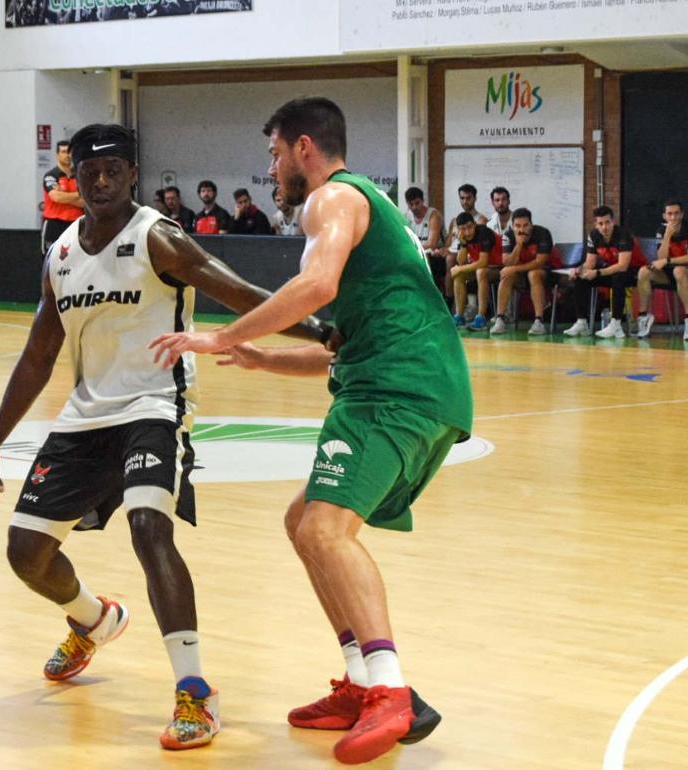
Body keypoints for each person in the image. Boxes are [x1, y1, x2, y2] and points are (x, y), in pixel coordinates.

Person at [0, 123, 335, 753]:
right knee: (24, 552)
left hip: (154, 405)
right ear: (75, 180)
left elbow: (236, 291)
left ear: (133, 174)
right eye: (91, 172)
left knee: (149, 528)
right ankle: (95, 620)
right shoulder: (60, 255)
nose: (103, 180)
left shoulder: (157, 237)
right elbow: (38, 353)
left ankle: (195, 691)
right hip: (87, 416)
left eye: (115, 168)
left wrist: (321, 333)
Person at [149, 97, 469, 766]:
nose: (270, 170)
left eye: (273, 155)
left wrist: (225, 334)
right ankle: (361, 682)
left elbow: (316, 284)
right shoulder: (361, 215)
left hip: (398, 389)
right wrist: (262, 356)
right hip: (399, 382)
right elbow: (339, 345)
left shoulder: (333, 199)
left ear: (302, 147)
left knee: (325, 529)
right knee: (304, 522)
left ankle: (391, 691)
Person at [563, 205, 647, 338]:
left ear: (613, 222)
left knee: (618, 278)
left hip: (635, 272)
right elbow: (590, 263)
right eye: (600, 223)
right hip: (611, 271)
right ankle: (582, 322)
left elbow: (623, 266)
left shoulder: (623, 235)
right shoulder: (594, 235)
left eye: (607, 222)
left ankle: (616, 324)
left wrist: (597, 273)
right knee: (581, 278)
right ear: (596, 224)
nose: (604, 227)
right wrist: (578, 270)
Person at [634, 199, 688, 342]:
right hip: (672, 271)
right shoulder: (661, 230)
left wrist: (667, 261)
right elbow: (660, 257)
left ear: (682, 215)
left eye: (676, 214)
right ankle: (644, 317)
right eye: (670, 214)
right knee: (643, 272)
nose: (673, 217)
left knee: (679, 271)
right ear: (664, 216)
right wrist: (667, 236)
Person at [489, 207, 552, 336]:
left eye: (525, 226)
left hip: (544, 272)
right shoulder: (508, 236)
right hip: (520, 273)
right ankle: (500, 319)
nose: (521, 230)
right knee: (507, 275)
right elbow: (507, 262)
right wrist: (518, 245)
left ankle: (538, 321)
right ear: (512, 226)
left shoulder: (543, 233)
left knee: (533, 274)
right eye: (517, 226)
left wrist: (514, 268)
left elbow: (539, 262)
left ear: (531, 225)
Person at [449, 212, 503, 331]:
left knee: (480, 272)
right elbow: (461, 261)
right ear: (459, 229)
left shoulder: (484, 233)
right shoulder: (463, 237)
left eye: (469, 227)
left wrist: (459, 268)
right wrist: (463, 244)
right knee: (460, 275)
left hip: (500, 268)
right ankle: (459, 317)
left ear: (474, 224)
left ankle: (481, 318)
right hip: (483, 268)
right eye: (463, 229)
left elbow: (483, 262)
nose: (467, 232)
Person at [39, 140, 84, 253]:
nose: (68, 155)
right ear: (57, 154)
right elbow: (56, 197)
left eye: (70, 152)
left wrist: (64, 196)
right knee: (50, 259)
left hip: (76, 223)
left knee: (76, 258)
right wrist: (79, 195)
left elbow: (85, 202)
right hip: (54, 224)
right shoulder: (51, 175)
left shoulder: (81, 176)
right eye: (64, 152)